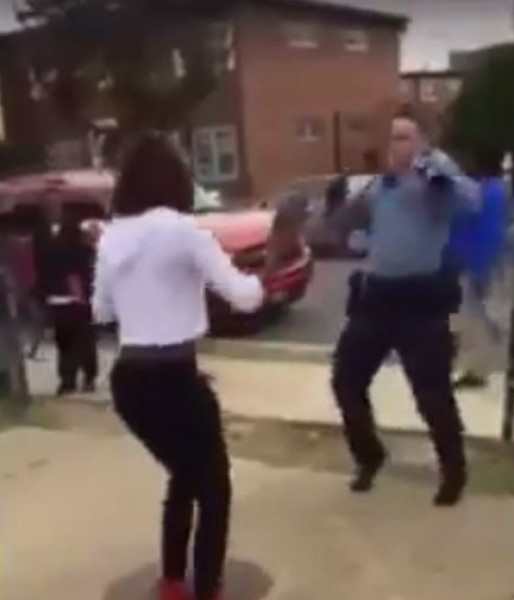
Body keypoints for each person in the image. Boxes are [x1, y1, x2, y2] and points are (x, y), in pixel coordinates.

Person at [92, 133, 277, 600]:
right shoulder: (185, 232)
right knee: (214, 488)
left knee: (184, 475)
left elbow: (101, 312)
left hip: (129, 382)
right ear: (176, 180)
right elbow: (244, 297)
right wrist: (267, 275)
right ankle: (207, 588)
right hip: (175, 376)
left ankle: (173, 581)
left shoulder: (112, 237)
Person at [331, 111, 480, 507]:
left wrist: (439, 167)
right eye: (392, 137)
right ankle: (369, 456)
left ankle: (453, 471)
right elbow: (346, 224)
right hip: (376, 298)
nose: (396, 145)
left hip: (421, 301)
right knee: (346, 381)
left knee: (431, 393)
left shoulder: (434, 186)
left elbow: (471, 202)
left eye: (405, 137)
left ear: (422, 143)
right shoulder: (379, 187)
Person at [449, 154, 509, 389]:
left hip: (480, 264)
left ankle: (478, 370)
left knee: (476, 319)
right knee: (486, 317)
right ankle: (480, 367)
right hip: (493, 261)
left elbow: (468, 232)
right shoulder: (499, 192)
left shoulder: (478, 194)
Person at [46, 209, 98, 395]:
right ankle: (89, 376)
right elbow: (75, 275)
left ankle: (67, 380)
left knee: (65, 344)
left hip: (58, 301)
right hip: (79, 301)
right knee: (85, 340)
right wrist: (82, 296)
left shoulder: (53, 248)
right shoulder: (81, 250)